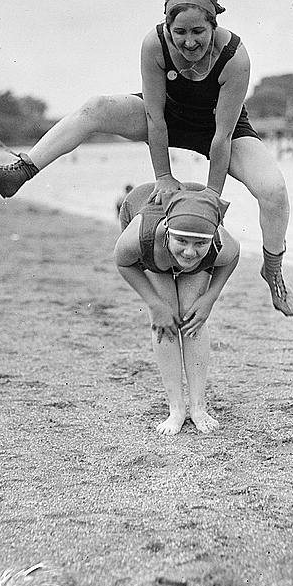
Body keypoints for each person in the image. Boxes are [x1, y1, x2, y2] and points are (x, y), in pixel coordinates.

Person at [0, 0, 293, 317]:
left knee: (274, 191)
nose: (189, 42)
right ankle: (20, 172)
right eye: (179, 32)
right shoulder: (154, 44)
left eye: (198, 31)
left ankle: (273, 268)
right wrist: (165, 178)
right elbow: (155, 118)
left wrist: (213, 194)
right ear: (167, 28)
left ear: (213, 26)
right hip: (167, 116)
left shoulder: (234, 55)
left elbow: (222, 136)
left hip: (220, 127)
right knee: (96, 108)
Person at [114, 182, 239, 435]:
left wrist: (210, 299)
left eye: (199, 245)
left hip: (197, 208)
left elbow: (233, 258)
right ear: (169, 232)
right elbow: (123, 262)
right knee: (165, 317)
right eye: (182, 241)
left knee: (192, 314)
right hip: (150, 234)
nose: (190, 252)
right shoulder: (142, 236)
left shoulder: (219, 242)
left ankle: (198, 407)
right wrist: (154, 304)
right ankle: (176, 409)